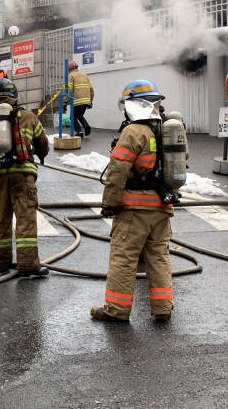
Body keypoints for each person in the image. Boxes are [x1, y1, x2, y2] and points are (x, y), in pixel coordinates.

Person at [91, 78, 175, 323]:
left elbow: (117, 169)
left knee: (124, 257)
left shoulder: (133, 131)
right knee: (158, 256)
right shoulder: (166, 129)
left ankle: (116, 310)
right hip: (162, 207)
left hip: (134, 209)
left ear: (134, 104)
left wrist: (109, 203)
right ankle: (163, 307)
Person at [0, 78, 49, 278]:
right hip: (23, 176)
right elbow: (42, 144)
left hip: (0, 177)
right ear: (15, 97)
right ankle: (28, 265)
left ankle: (2, 263)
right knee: (25, 219)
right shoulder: (29, 117)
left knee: (1, 220)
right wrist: (40, 155)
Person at [64, 60, 93, 138]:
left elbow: (69, 90)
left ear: (69, 69)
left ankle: (79, 132)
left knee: (72, 117)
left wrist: (65, 102)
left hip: (76, 101)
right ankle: (87, 126)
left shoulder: (70, 76)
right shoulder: (85, 76)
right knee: (79, 115)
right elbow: (91, 90)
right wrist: (90, 101)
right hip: (86, 101)